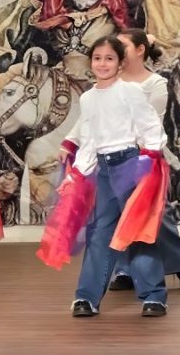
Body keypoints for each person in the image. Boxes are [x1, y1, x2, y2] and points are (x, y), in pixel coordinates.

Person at [68, 36, 169, 317]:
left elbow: (150, 125)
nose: (103, 64)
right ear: (91, 62)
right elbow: (89, 137)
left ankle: (153, 296)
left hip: (131, 164)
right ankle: (86, 297)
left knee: (137, 230)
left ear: (121, 63)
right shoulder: (88, 98)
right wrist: (79, 170)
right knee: (100, 232)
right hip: (104, 168)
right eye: (97, 58)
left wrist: (149, 157)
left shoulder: (130, 91)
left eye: (109, 58)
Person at [110, 29, 180, 293]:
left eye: (123, 45)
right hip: (112, 154)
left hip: (144, 155)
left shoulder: (154, 83)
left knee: (158, 214)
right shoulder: (109, 80)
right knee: (120, 212)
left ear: (140, 50)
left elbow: (151, 122)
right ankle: (124, 270)